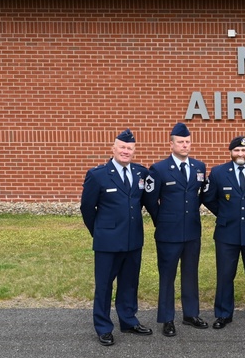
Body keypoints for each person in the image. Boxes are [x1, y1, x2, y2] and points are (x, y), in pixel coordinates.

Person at [79, 128, 153, 346]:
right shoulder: (98, 174)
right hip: (107, 241)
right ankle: (103, 326)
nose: (126, 151)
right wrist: (100, 231)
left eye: (130, 148)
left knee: (129, 283)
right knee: (104, 285)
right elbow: (87, 208)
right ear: (113, 148)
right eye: (122, 147)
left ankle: (128, 320)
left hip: (133, 239)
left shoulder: (140, 173)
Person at [201, 136, 245, 330]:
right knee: (225, 274)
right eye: (236, 151)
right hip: (227, 232)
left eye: (244, 150)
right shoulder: (218, 172)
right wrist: (224, 214)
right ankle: (223, 314)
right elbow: (208, 198)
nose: (240, 154)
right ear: (231, 152)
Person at [145, 122, 209, 337]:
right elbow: (151, 201)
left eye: (187, 142)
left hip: (191, 230)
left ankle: (190, 314)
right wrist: (162, 221)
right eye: (180, 142)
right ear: (171, 144)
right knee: (167, 275)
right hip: (168, 232)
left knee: (191, 273)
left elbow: (199, 196)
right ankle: (167, 318)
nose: (184, 145)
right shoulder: (159, 169)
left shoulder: (199, 167)